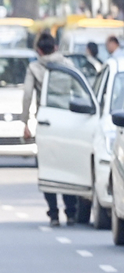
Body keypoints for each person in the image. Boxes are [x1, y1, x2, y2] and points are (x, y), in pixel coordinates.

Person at [20, 33, 81, 226]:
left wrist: (25, 123)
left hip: (46, 123)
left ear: (38, 50)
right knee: (68, 168)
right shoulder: (68, 66)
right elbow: (80, 93)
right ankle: (71, 212)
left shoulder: (35, 68)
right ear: (55, 47)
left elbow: (28, 95)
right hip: (68, 124)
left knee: (47, 168)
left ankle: (54, 214)